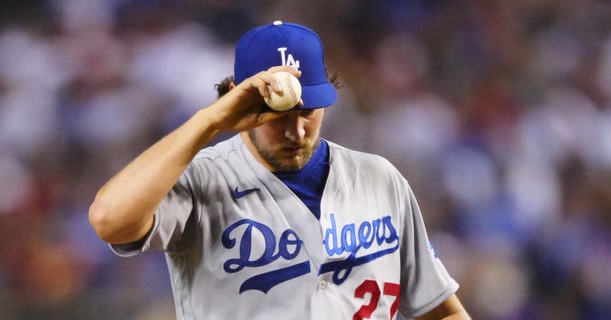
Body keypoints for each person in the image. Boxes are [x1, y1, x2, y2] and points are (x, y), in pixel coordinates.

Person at [89, 20, 471, 319]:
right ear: (239, 99)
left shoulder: (378, 178)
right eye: (279, 117)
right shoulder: (200, 179)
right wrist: (209, 122)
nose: (297, 130)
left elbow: (440, 311)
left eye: (308, 111)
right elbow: (110, 220)